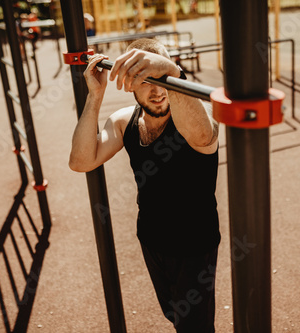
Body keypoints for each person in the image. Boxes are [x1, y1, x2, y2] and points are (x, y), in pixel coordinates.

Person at [69, 38, 220, 332]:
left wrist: (172, 71)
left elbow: (203, 136)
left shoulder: (195, 115)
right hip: (151, 239)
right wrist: (95, 96)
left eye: (163, 79)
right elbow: (80, 161)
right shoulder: (126, 121)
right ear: (130, 84)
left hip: (194, 246)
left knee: (195, 328)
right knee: (174, 315)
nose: (158, 90)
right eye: (147, 81)